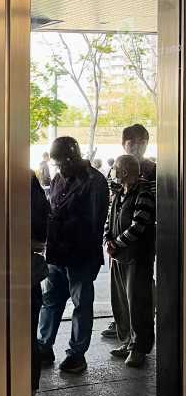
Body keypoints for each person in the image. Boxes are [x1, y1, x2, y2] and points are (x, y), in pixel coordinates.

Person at [38, 137, 109, 374]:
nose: (60, 168)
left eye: (61, 162)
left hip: (80, 254)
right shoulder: (59, 178)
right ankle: (44, 346)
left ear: (72, 157)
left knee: (81, 305)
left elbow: (94, 223)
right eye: (57, 164)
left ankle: (77, 354)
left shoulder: (95, 181)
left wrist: (63, 224)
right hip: (58, 253)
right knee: (51, 300)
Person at [102, 123, 156, 341]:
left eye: (141, 142)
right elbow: (111, 204)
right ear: (124, 144)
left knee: (139, 291)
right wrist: (109, 239)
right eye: (131, 142)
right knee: (120, 291)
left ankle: (140, 335)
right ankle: (123, 327)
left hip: (139, 244)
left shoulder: (153, 170)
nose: (136, 147)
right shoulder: (117, 168)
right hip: (118, 243)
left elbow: (146, 214)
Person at [31, 171, 50, 396]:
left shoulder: (26, 197)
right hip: (29, 279)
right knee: (27, 338)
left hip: (16, 277)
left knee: (22, 339)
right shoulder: (35, 194)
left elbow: (37, 240)